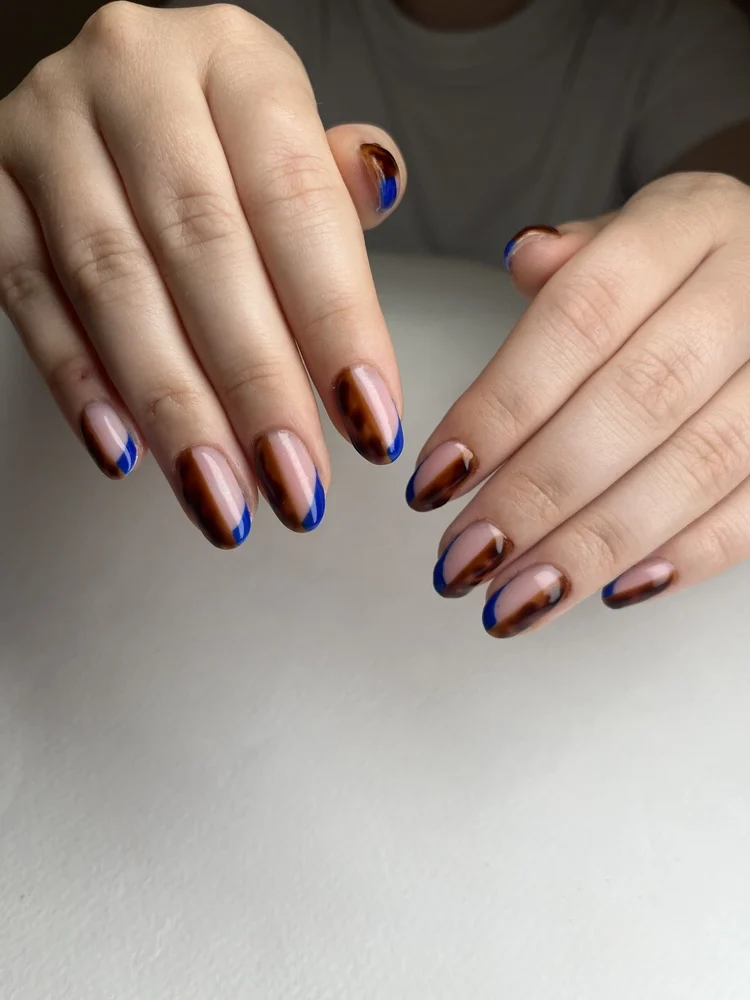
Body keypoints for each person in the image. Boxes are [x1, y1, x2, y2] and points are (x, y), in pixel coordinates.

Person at [2, 0, 750, 637]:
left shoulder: (675, 36)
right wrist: (81, 129)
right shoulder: (234, 17)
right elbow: (139, 86)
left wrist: (727, 217)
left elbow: (725, 180)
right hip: (191, 621)